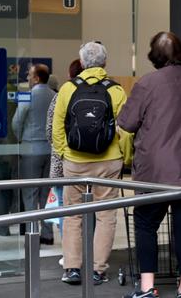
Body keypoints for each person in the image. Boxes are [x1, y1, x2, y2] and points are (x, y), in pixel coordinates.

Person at [118, 32, 181, 298]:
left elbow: (127, 122)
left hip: (157, 172)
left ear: (154, 56)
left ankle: (147, 287)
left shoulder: (147, 84)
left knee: (145, 223)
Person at [52, 42, 127, 286]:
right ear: (105, 63)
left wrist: (65, 154)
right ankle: (98, 270)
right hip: (109, 160)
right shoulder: (116, 90)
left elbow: (57, 127)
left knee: (73, 215)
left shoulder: (67, 89)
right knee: (106, 215)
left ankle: (72, 268)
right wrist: (123, 156)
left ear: (82, 63)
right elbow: (125, 131)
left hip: (75, 161)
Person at [12, 63, 56, 245]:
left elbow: (17, 122)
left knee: (30, 192)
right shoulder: (55, 95)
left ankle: (32, 231)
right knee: (46, 193)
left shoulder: (27, 96)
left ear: (37, 78)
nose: (28, 78)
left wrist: (20, 139)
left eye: (30, 75)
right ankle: (47, 234)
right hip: (50, 150)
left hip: (31, 149)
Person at [46, 59, 84, 267]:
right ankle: (90, 252)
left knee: (65, 208)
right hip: (94, 161)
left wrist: (62, 153)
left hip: (63, 163)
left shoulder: (62, 93)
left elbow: (50, 130)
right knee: (94, 209)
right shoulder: (102, 91)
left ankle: (69, 255)